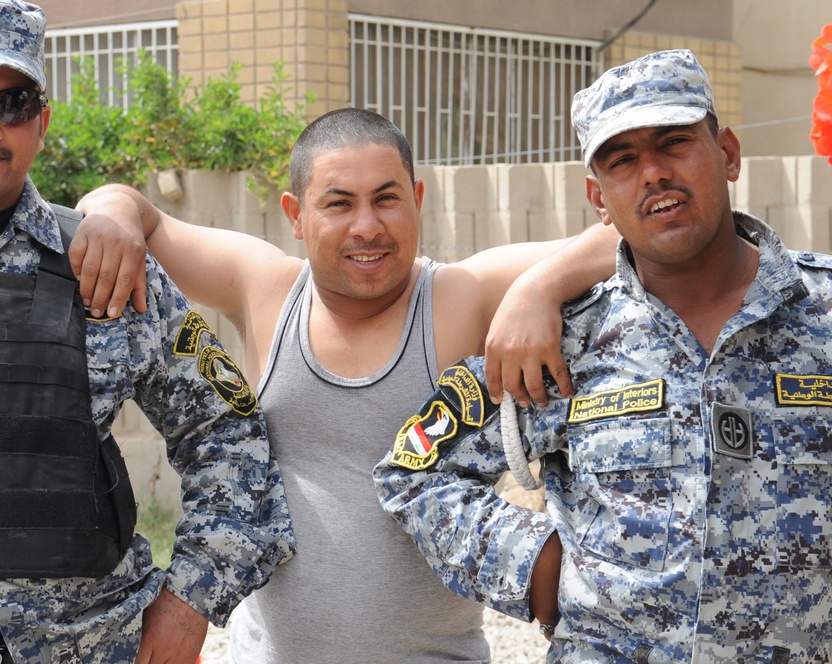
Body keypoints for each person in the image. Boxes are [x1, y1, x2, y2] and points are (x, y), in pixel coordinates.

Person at [0, 1, 293, 663]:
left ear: (42, 124)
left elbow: (230, 433)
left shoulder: (107, 267)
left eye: (13, 103)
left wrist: (190, 602)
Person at [75, 106, 619, 662]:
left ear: (418, 201)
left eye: (387, 198)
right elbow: (134, 211)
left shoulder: (461, 296)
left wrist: (539, 289)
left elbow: (627, 234)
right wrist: (112, 213)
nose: (367, 226)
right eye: (338, 203)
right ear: (295, 214)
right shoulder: (266, 289)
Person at [374, 48, 832, 663]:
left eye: (673, 142)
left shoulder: (822, 311)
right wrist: (536, 563)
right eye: (623, 160)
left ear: (726, 154)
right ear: (598, 196)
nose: (652, 174)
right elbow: (414, 471)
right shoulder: (559, 338)